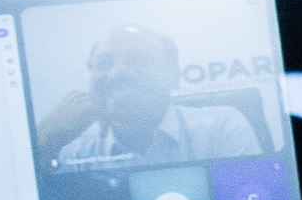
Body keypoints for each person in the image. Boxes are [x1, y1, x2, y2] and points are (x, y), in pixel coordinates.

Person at [42, 24, 264, 168]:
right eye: (104, 63)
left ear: (173, 75)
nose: (118, 72)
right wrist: (45, 136)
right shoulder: (73, 151)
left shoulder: (222, 127)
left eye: (139, 59)